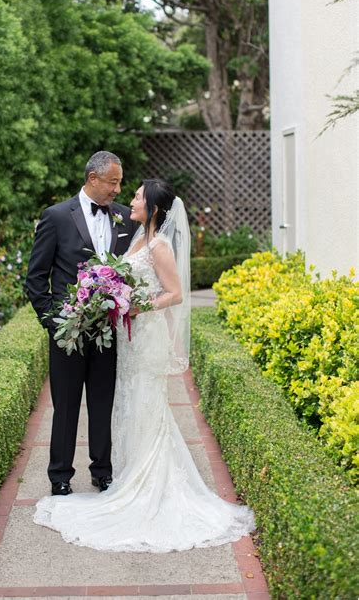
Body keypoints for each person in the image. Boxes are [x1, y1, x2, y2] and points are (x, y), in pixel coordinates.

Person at [32, 179, 256, 552]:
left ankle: (124, 478)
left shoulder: (153, 239)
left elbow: (174, 293)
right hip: (110, 335)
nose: (126, 195)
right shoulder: (126, 229)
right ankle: (75, 476)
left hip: (139, 335)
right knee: (99, 404)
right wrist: (59, 318)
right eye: (119, 184)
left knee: (135, 405)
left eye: (134, 192)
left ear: (151, 207)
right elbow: (47, 276)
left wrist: (135, 306)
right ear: (95, 178)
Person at [25, 151, 138, 496]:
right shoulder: (57, 217)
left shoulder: (123, 218)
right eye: (113, 182)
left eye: (119, 182)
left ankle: (102, 471)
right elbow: (35, 278)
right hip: (68, 333)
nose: (118, 189)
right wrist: (53, 322)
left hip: (108, 331)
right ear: (93, 179)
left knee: (103, 402)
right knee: (66, 405)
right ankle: (60, 475)